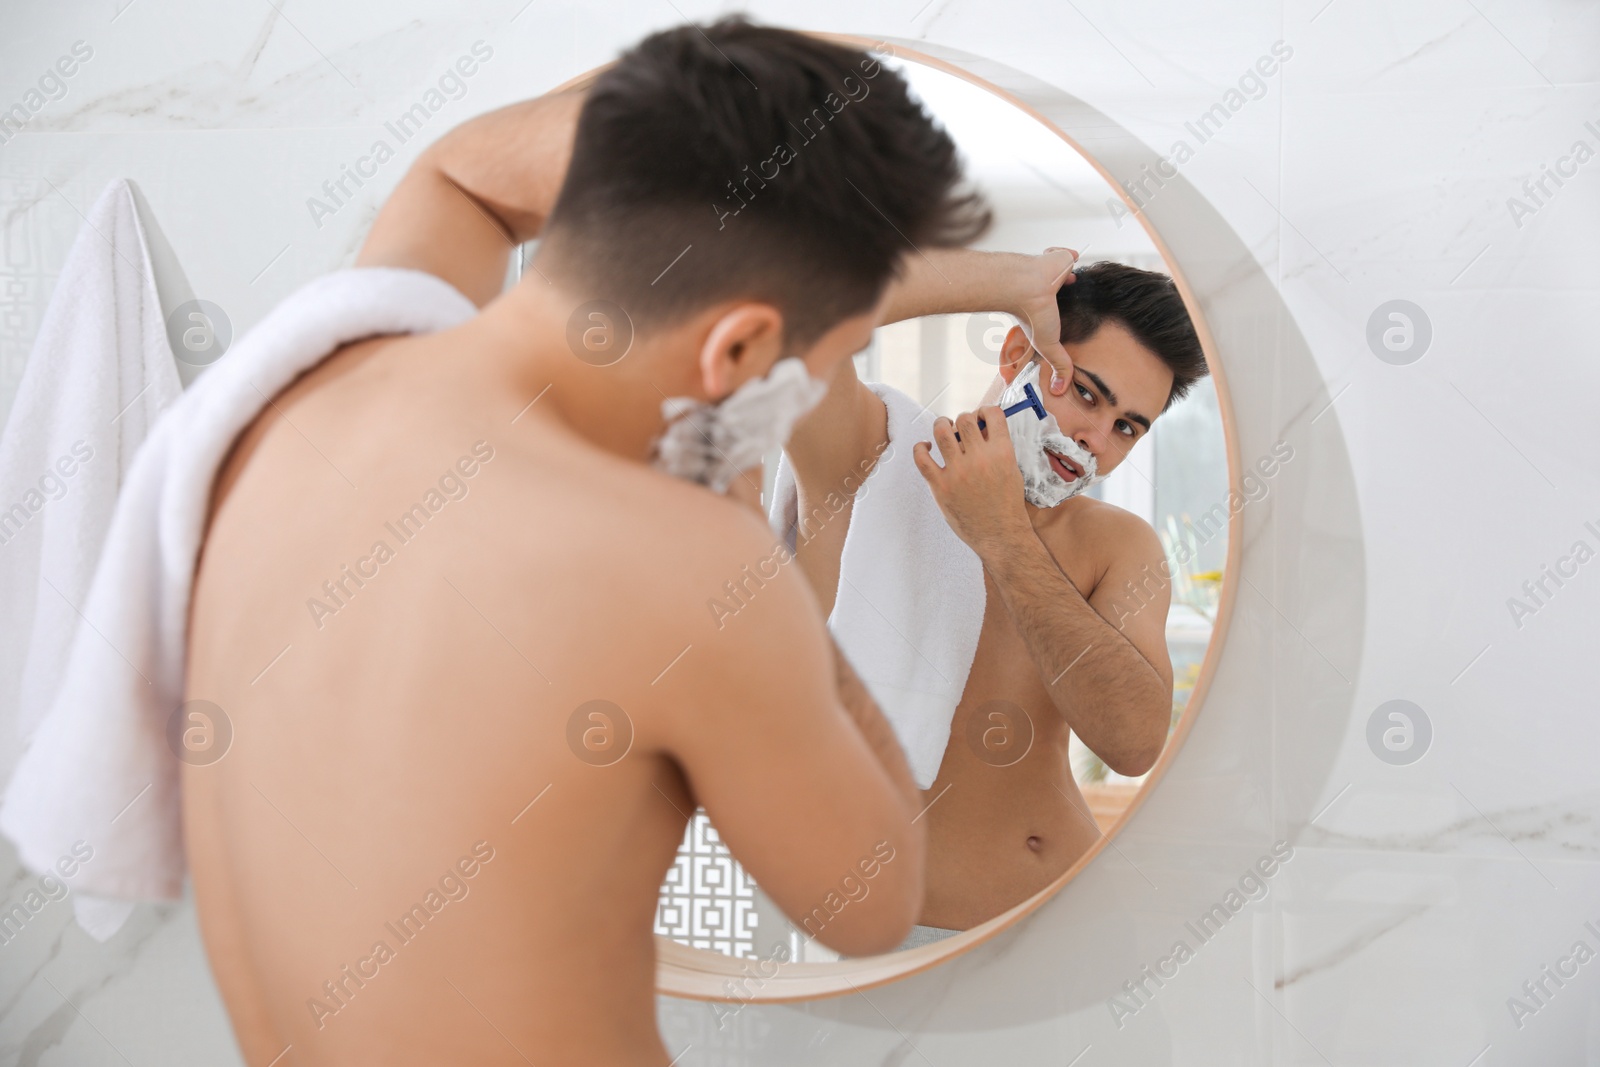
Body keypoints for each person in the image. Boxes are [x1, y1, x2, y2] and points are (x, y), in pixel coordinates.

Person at [182, 18, 997, 1066]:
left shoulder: (312, 387)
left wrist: (667, 134)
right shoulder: (687, 565)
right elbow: (871, 902)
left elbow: (459, 170)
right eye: (826, 363)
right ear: (741, 347)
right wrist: (748, 539)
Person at [783, 254, 1209, 940]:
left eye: (1128, 426)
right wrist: (1007, 285)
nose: (1094, 441)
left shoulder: (1116, 545)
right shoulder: (870, 455)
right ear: (1020, 353)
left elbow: (1133, 742)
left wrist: (1005, 538)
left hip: (1070, 926)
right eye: (1088, 394)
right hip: (885, 939)